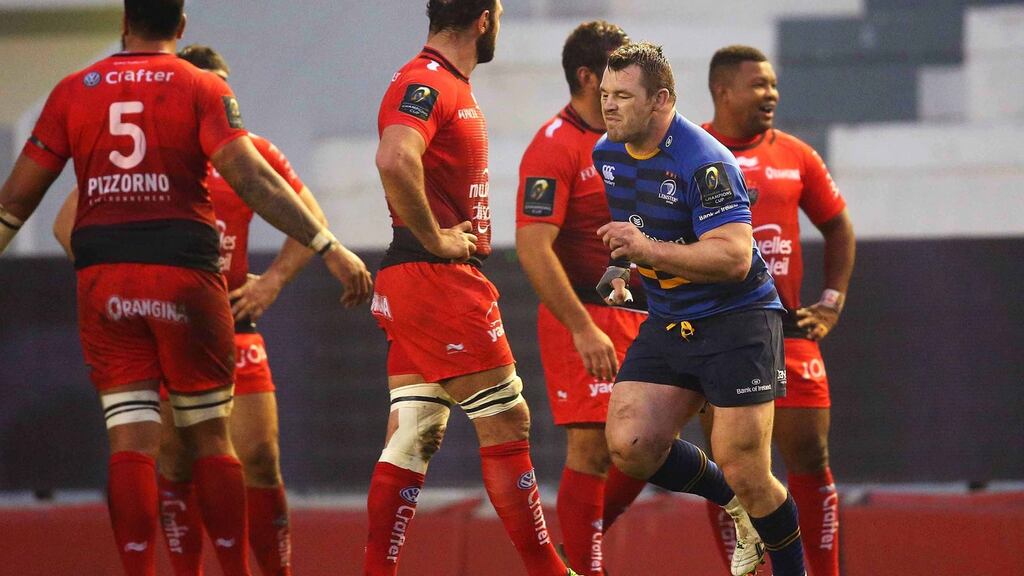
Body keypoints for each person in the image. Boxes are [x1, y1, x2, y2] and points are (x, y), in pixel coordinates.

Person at [0, 2, 371, 575]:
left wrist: (272, 279)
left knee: (137, 442)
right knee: (204, 443)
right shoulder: (199, 91)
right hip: (187, 286)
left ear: (124, 23)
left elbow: (16, 203)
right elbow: (254, 180)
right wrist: (330, 249)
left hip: (114, 288)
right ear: (181, 26)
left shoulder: (75, 89)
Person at [51, 44, 327, 576]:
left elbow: (311, 220)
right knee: (175, 462)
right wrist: (119, 275)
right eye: (212, 87)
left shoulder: (251, 154)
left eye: (226, 88)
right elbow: (68, 225)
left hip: (232, 323)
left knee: (260, 457)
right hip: (167, 321)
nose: (224, 100)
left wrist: (273, 280)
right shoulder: (140, 157)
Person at [515, 22, 760, 576]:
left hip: (645, 309)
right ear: (589, 78)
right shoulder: (554, 146)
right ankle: (580, 564)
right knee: (593, 449)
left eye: (626, 86)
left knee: (645, 444)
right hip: (585, 313)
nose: (617, 92)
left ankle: (586, 551)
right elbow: (532, 247)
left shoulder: (640, 144)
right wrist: (581, 327)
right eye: (611, 80)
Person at [366, 1, 573, 575]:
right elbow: (394, 157)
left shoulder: (439, 81)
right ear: (484, 19)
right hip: (437, 280)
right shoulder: (428, 81)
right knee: (507, 420)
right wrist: (435, 238)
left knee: (414, 433)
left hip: (415, 280)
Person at [594, 42, 807, 576]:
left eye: (623, 96)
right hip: (671, 317)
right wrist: (622, 270)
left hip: (737, 319)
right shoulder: (607, 153)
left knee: (747, 470)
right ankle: (735, 509)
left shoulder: (705, 160)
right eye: (605, 94)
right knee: (631, 444)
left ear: (661, 100)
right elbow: (637, 230)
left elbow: (734, 257)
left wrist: (646, 251)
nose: (609, 106)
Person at [699, 45, 855, 576]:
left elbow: (838, 226)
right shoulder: (690, 151)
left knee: (810, 457)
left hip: (787, 331)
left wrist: (830, 303)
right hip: (715, 334)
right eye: (758, 85)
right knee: (730, 471)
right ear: (723, 91)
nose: (771, 94)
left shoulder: (796, 155)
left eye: (773, 84)